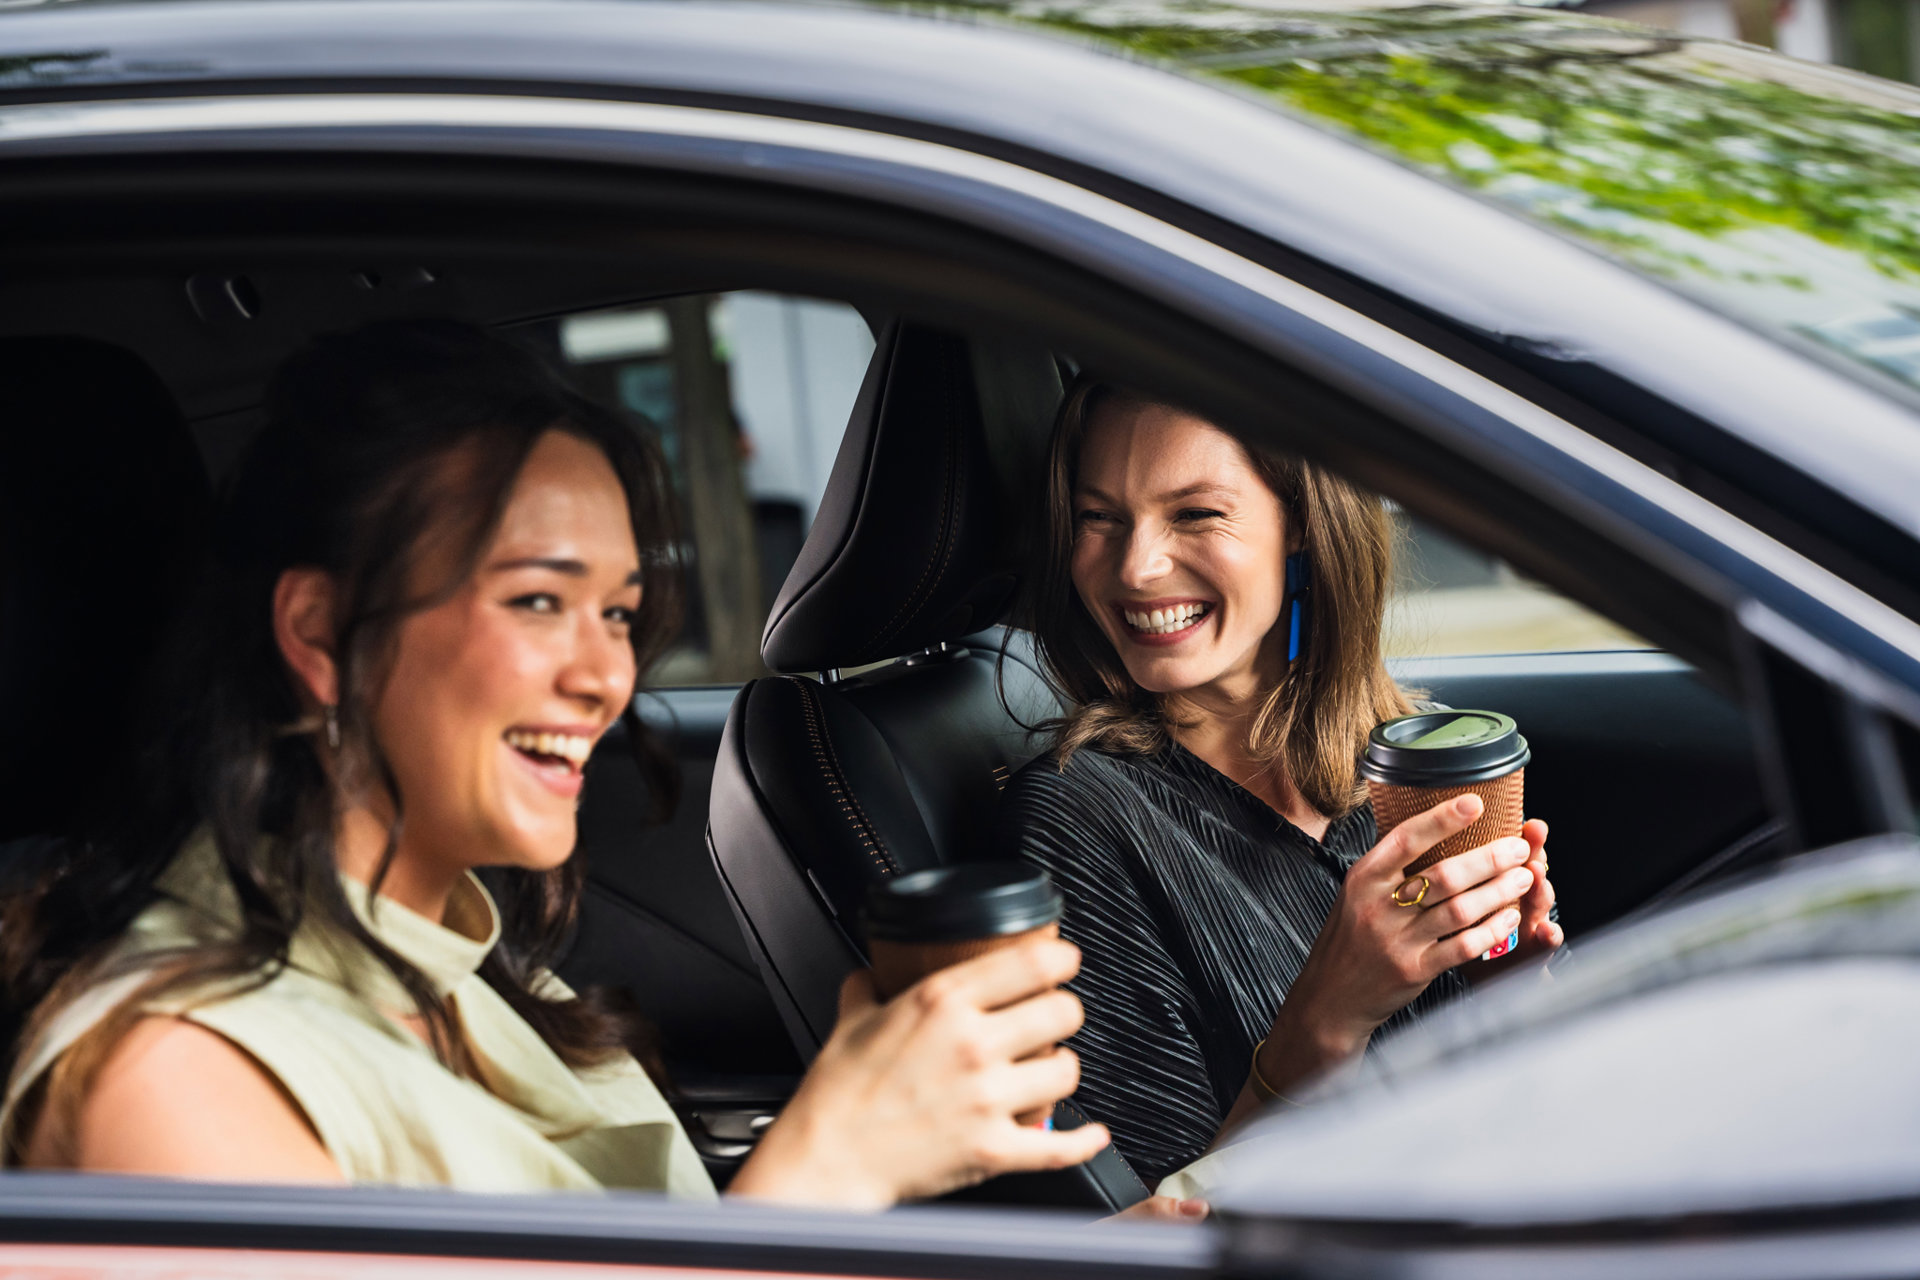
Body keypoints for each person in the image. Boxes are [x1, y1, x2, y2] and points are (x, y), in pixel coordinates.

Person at [0, 320, 1114, 1209]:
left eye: (620, 613)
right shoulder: (166, 1073)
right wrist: (823, 1170)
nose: (608, 677)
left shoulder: (481, 970)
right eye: (540, 600)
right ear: (322, 635)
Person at [994, 381, 1563, 1187]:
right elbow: (1158, 1236)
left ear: (1301, 524)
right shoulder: (1074, 819)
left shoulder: (1402, 764)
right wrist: (1326, 1022)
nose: (1136, 565)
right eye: (1099, 519)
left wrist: (1508, 987)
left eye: (1194, 514)